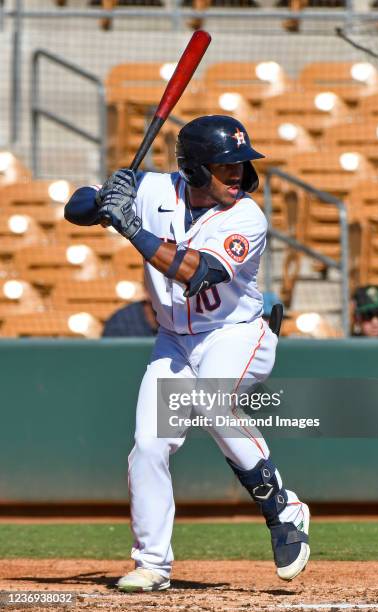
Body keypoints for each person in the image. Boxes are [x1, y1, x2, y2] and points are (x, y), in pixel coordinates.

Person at [64, 115, 310, 592]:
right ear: (196, 169)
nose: (238, 173)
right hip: (174, 339)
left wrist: (131, 229)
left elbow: (198, 273)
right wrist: (103, 198)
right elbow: (74, 210)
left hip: (236, 334)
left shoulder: (246, 217)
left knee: (213, 401)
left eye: (240, 163)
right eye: (225, 165)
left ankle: (281, 505)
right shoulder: (154, 189)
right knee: (149, 447)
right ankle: (152, 563)